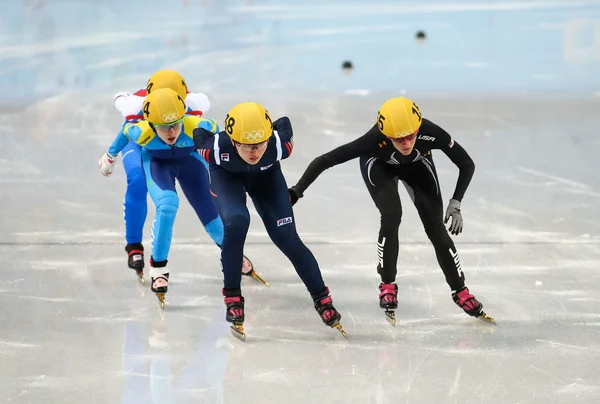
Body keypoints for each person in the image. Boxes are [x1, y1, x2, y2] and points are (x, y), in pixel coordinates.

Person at [289, 97, 495, 324]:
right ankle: (387, 283)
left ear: (418, 129)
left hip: (418, 167)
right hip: (379, 167)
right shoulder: (372, 140)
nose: (406, 143)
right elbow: (325, 160)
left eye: (411, 136)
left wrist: (456, 202)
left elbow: (466, 164)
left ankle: (460, 290)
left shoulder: (430, 132)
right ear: (387, 136)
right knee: (391, 215)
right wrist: (297, 191)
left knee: (436, 227)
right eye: (398, 139)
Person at [193, 102, 346, 341]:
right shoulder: (213, 148)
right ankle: (233, 297)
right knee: (236, 222)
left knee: (288, 238)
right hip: (227, 178)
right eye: (246, 146)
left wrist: (268, 136)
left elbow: (283, 122)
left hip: (266, 178)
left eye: (259, 144)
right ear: (233, 141)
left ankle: (322, 299)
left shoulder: (279, 145)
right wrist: (200, 121)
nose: (254, 152)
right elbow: (199, 134)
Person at [106, 70, 256, 283]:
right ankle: (134, 244)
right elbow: (122, 114)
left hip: (182, 145)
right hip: (146, 142)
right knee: (138, 181)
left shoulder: (195, 104)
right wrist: (109, 155)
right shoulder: (134, 106)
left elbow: (206, 141)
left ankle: (226, 246)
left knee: (205, 192)